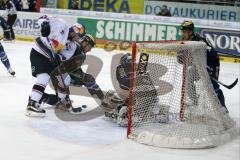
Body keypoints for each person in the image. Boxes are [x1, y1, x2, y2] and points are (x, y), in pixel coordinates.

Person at [179, 20, 228, 113]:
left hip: (211, 64)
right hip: (197, 65)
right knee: (188, 78)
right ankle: (194, 101)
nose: (183, 34)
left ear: (190, 32)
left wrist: (208, 68)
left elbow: (213, 55)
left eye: (184, 32)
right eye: (182, 31)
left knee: (212, 86)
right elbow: (180, 59)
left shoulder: (200, 40)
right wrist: (182, 56)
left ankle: (222, 107)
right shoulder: (183, 41)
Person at [26, 15, 70, 117]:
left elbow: (62, 55)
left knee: (58, 79)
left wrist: (60, 58)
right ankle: (32, 103)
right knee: (43, 78)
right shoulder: (61, 23)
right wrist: (44, 24)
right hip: (39, 52)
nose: (76, 37)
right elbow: (43, 18)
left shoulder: (70, 43)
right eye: (75, 34)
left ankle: (35, 102)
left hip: (49, 58)